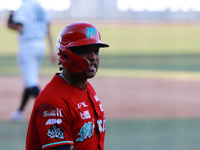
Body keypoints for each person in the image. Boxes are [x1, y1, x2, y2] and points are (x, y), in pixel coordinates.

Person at [26, 22, 109, 150]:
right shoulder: (53, 102)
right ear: (65, 54)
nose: (93, 57)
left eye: (96, 51)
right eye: (85, 51)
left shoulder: (87, 89)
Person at [7, 0, 56, 122]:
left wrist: (8, 23)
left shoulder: (23, 7)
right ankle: (19, 112)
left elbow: (19, 26)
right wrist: (52, 50)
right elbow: (48, 29)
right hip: (41, 44)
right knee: (30, 79)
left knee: (31, 82)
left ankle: (50, 113)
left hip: (28, 46)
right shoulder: (41, 7)